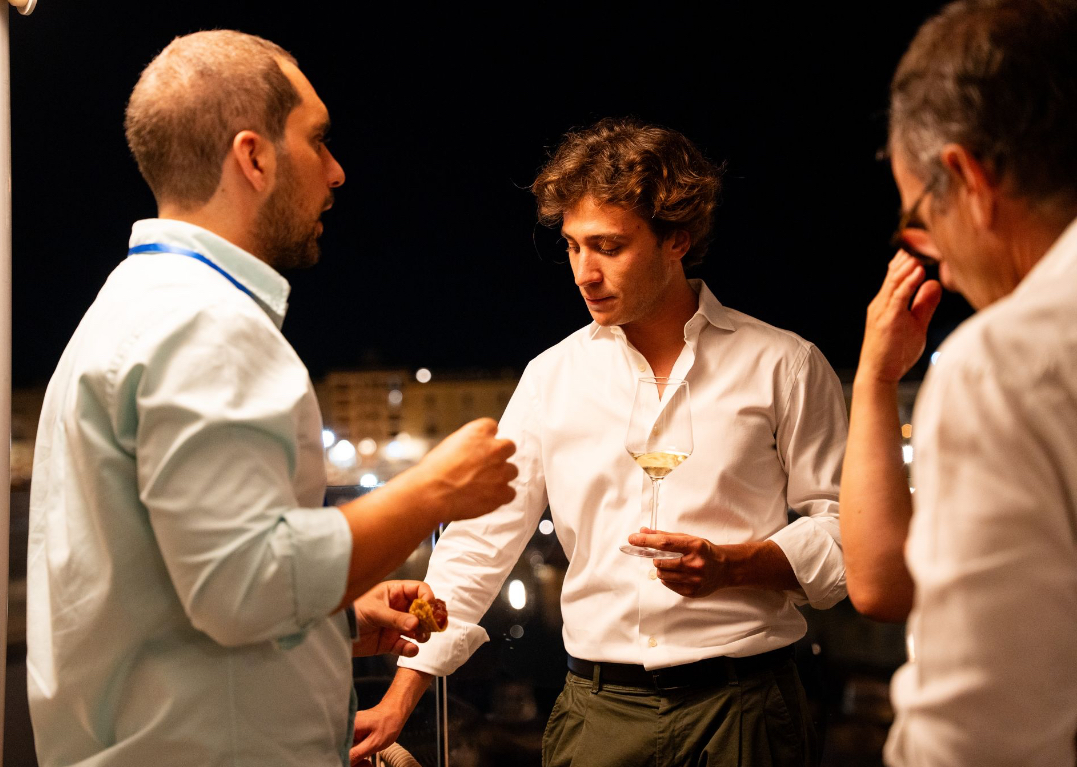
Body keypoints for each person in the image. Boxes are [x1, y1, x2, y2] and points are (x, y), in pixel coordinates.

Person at [25, 30, 518, 767]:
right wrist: (432, 491)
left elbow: (184, 576)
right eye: (317, 140)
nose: (337, 171)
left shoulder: (135, 302)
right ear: (253, 158)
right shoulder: (206, 322)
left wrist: (334, 616)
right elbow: (243, 583)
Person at [352, 118, 849, 767]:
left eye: (609, 247)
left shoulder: (785, 364)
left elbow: (845, 534)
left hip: (747, 709)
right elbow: (479, 544)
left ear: (677, 238)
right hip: (597, 713)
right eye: (573, 246)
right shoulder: (550, 377)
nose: (584, 273)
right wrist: (399, 700)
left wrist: (736, 566)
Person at [837, 1, 1077, 764]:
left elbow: (976, 735)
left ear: (969, 178)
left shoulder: (1006, 362)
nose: (931, 253)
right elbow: (886, 577)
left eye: (918, 216)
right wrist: (876, 379)